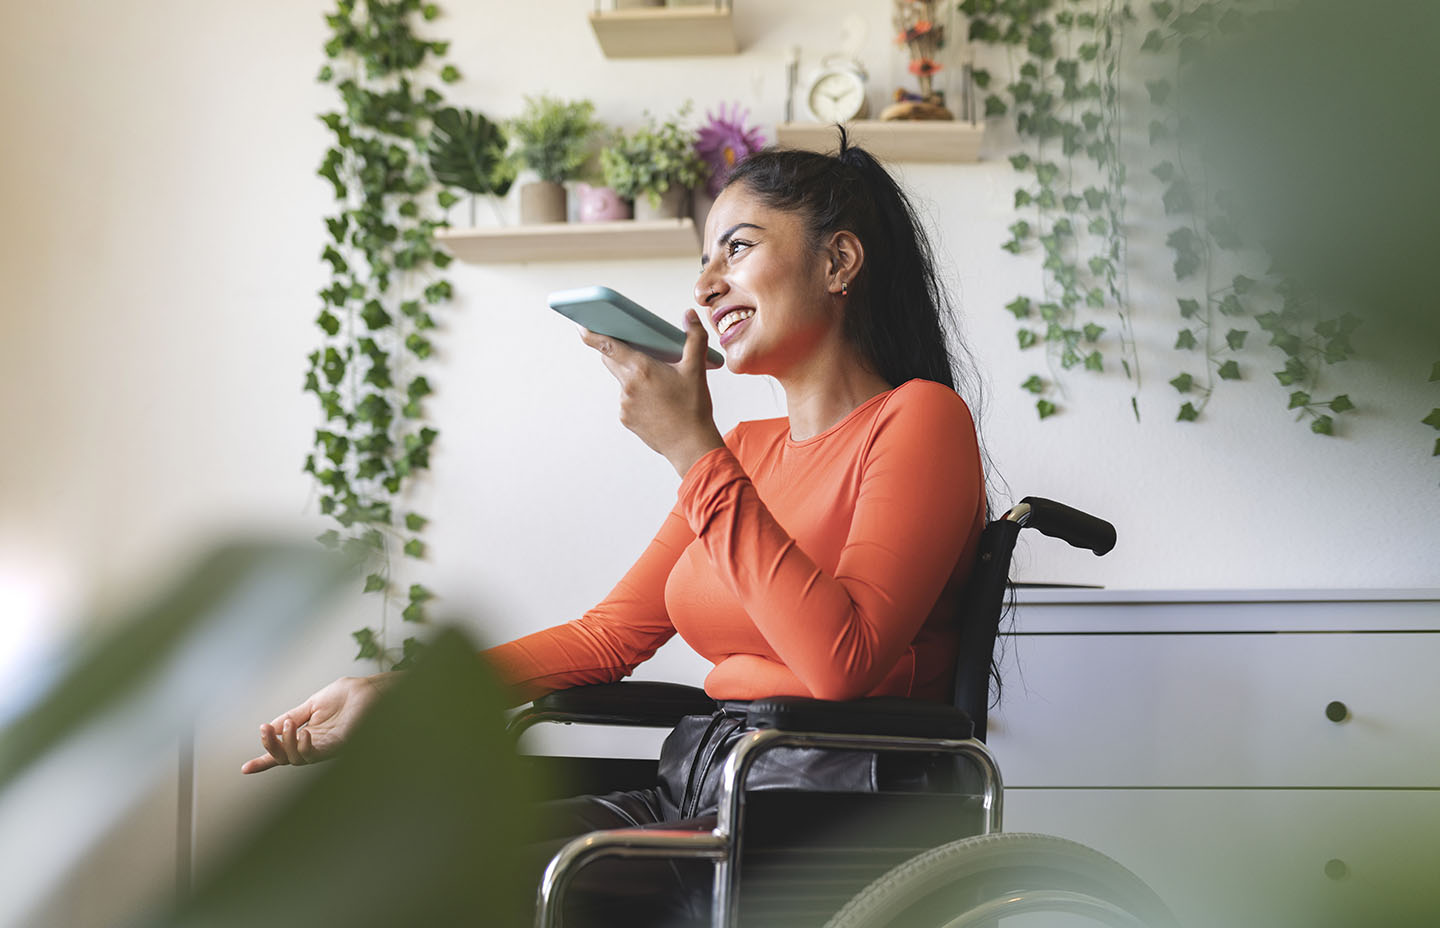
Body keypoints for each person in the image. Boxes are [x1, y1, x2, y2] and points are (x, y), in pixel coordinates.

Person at [242, 131, 990, 924]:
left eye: (735, 249)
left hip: (818, 815)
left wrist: (691, 449)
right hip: (700, 786)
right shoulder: (747, 451)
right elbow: (609, 637)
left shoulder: (918, 421)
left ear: (838, 262)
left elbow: (841, 664)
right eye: (704, 260)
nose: (706, 286)